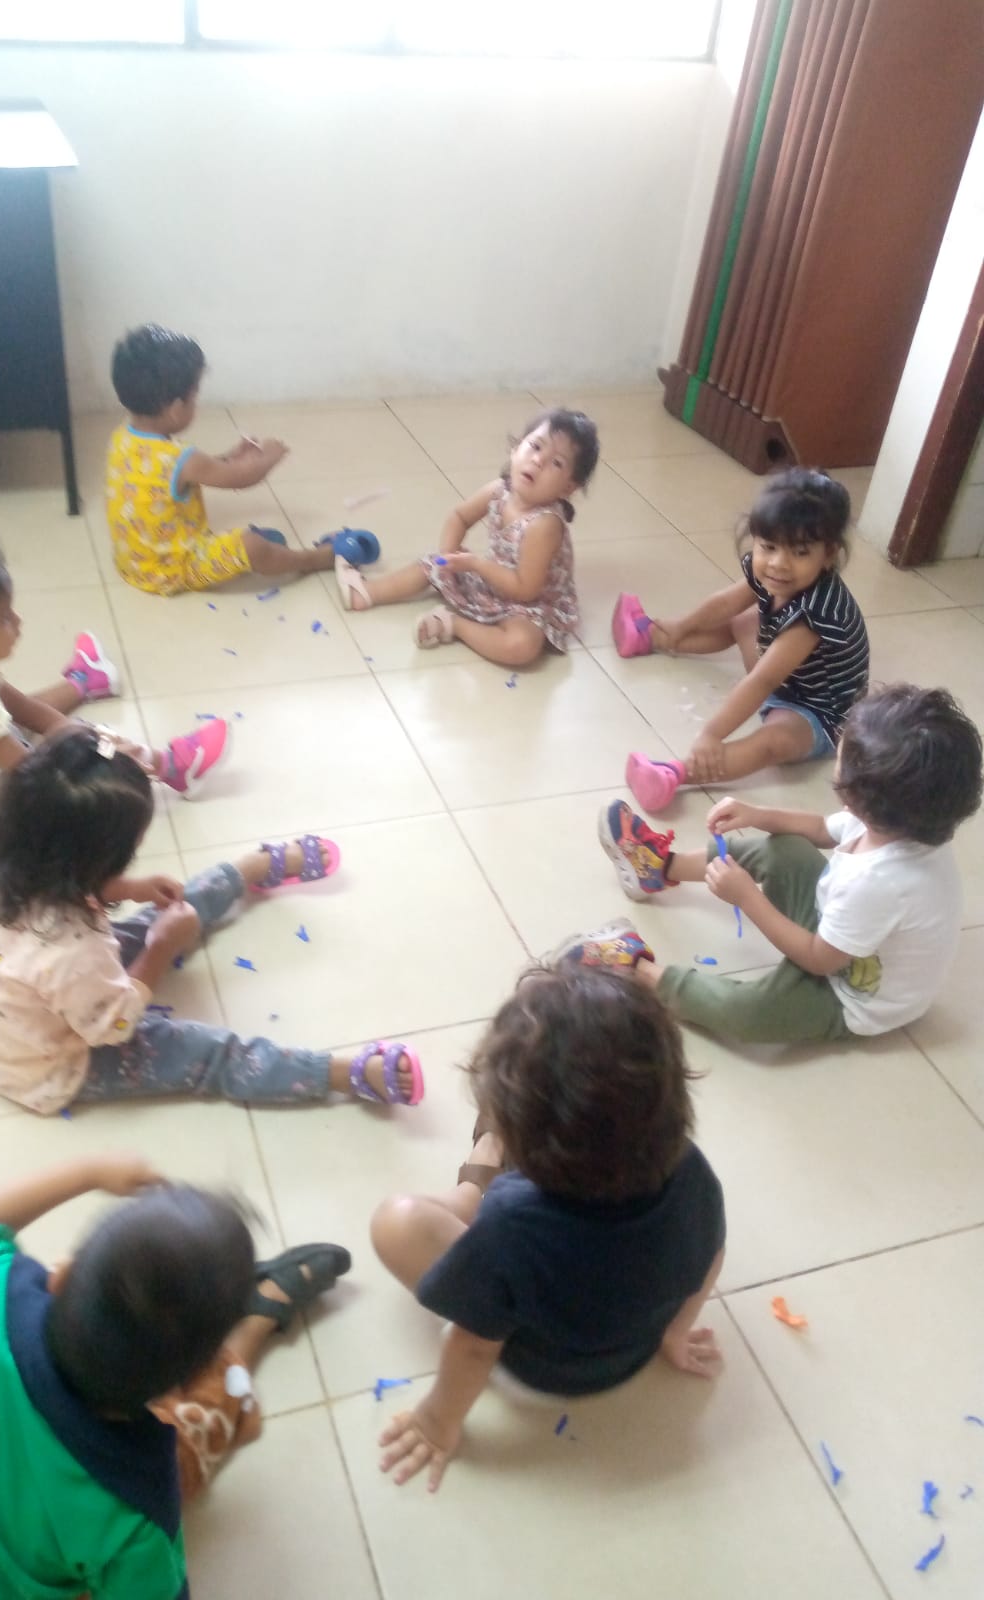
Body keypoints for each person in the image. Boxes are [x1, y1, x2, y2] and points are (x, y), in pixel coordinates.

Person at [0, 1150, 354, 1600]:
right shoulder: (139, 1502)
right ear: (183, 1383)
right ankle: (251, 1333)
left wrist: (89, 1173)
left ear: (62, 1275)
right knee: (194, 1437)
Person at [369, 963, 725, 1492]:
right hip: (629, 1353)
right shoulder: (691, 1169)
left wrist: (437, 1421)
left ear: (526, 1152)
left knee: (395, 1222)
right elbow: (712, 1253)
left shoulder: (510, 1223)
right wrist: (674, 1333)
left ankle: (477, 1175)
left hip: (539, 1366)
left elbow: (474, 1347)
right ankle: (485, 1161)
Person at [0, 724, 424, 1115]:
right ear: (88, 863)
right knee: (208, 1052)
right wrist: (160, 948)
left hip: (39, 994)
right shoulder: (69, 952)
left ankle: (245, 873)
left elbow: (64, 907)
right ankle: (344, 1074)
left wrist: (128, 888)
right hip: (55, 1066)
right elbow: (113, 1026)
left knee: (166, 914)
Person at [584, 684, 983, 1044]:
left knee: (750, 1013)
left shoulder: (881, 883)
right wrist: (758, 814)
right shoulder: (901, 822)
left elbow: (818, 959)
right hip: (841, 935)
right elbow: (821, 829)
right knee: (785, 849)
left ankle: (638, 972)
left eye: (841, 752)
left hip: (850, 997)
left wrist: (747, 897)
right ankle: (657, 868)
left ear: (856, 794)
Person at [0, 538, 226, 840]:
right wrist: (102, 747)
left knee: (47, 727)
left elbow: (23, 708)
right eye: (5, 618)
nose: (18, 621)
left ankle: (86, 681)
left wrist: (72, 732)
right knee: (85, 757)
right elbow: (40, 777)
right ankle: (170, 766)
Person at [612, 468, 869, 813]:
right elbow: (725, 604)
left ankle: (674, 774)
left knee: (773, 743)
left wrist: (712, 734)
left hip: (820, 712)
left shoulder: (818, 614)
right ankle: (654, 637)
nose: (779, 563)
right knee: (743, 619)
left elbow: (763, 680)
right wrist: (679, 627)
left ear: (829, 554)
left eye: (800, 552)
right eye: (769, 547)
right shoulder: (771, 573)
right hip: (786, 677)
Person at [106, 324, 374, 595]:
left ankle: (272, 553)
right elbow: (241, 479)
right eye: (195, 396)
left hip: (133, 562)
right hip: (174, 569)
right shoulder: (182, 459)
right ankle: (315, 560)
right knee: (253, 547)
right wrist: (269, 458)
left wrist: (229, 457)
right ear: (176, 409)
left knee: (252, 543)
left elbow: (172, 475)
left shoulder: (122, 437)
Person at [333, 408, 598, 668]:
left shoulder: (544, 525)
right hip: (491, 580)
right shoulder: (499, 490)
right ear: (516, 448)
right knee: (430, 563)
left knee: (522, 645)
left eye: (556, 463)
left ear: (568, 487)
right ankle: (368, 592)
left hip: (529, 605)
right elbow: (459, 517)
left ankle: (454, 625)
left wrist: (477, 565)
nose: (538, 461)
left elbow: (525, 589)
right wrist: (447, 558)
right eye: (535, 446)